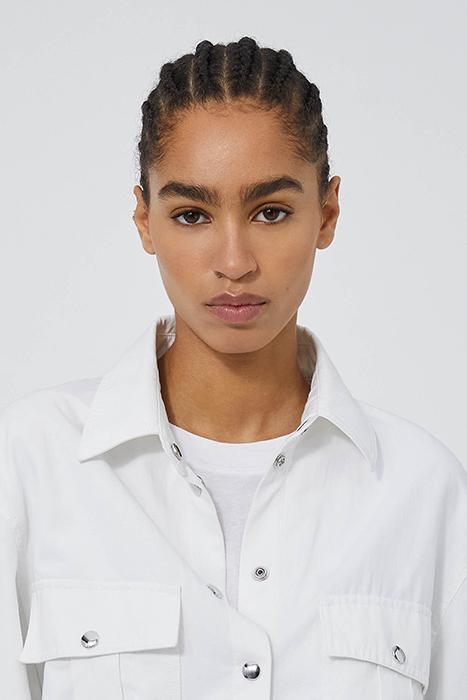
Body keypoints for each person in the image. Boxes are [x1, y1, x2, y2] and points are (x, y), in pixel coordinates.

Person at [1, 36, 466, 700]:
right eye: (191, 214)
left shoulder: (424, 492)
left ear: (327, 213)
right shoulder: (31, 464)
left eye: (270, 212)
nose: (234, 262)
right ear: (144, 220)